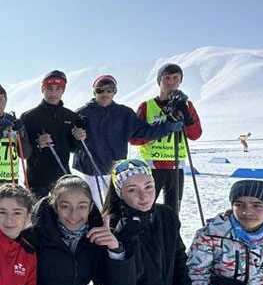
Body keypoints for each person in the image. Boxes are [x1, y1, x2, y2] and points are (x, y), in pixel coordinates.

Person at [73, 75, 184, 210]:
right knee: (92, 209)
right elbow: (70, 144)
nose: (105, 94)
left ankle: (114, 231)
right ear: (94, 92)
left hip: (115, 170)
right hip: (89, 171)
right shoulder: (82, 114)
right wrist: (75, 137)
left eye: (110, 90)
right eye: (100, 90)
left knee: (115, 209)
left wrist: (170, 124)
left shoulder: (124, 113)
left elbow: (146, 132)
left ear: (115, 92)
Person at [132, 63, 203, 213]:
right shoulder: (146, 106)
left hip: (176, 167)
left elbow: (195, 135)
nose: (171, 82)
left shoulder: (187, 105)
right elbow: (134, 138)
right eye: (166, 78)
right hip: (152, 167)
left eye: (175, 78)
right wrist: (162, 127)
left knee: (173, 211)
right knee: (145, 209)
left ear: (180, 81)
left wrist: (186, 115)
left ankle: (171, 236)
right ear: (159, 81)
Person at [21, 70, 88, 198]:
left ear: (63, 90)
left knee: (63, 216)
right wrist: (38, 144)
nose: (53, 93)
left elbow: (73, 148)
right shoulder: (28, 117)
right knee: (37, 216)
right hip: (37, 179)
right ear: (43, 89)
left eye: (58, 89)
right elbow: (23, 152)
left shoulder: (71, 116)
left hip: (62, 177)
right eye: (49, 88)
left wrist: (79, 138)